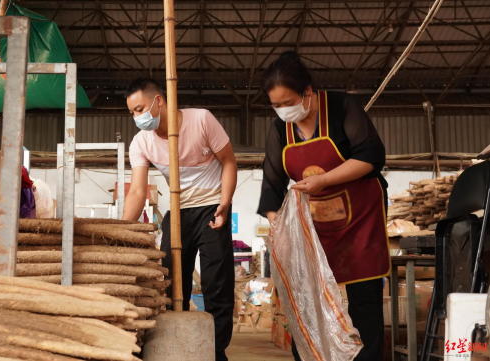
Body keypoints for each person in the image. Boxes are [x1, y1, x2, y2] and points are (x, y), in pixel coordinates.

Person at [257, 52, 390, 361]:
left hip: (360, 218)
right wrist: (279, 227)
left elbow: (371, 156)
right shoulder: (280, 130)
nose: (282, 110)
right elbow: (272, 185)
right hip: (313, 227)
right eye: (275, 105)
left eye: (288, 101)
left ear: (308, 92)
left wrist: (325, 180)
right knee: (308, 297)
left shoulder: (343, 107)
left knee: (363, 297)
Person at [123, 78, 237, 361]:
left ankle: (216, 350)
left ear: (158, 101)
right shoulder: (141, 142)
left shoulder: (201, 120)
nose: (138, 118)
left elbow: (229, 161)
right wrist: (122, 230)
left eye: (140, 109)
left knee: (217, 283)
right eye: (132, 113)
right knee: (171, 281)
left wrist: (225, 202)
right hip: (178, 211)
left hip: (212, 207)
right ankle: (175, 346)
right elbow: (138, 190)